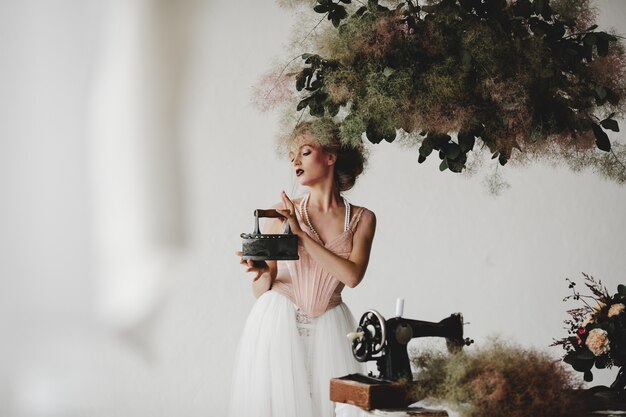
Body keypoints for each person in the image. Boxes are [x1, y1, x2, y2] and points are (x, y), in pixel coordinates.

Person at [230, 119, 376, 417]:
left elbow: (352, 276)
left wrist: (302, 236)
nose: (296, 160)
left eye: (305, 152)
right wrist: (261, 273)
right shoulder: (283, 212)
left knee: (331, 408)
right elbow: (261, 290)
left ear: (331, 157)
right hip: (277, 322)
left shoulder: (362, 219)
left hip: (331, 327)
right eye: (292, 155)